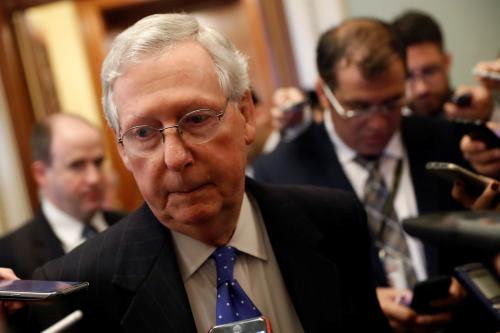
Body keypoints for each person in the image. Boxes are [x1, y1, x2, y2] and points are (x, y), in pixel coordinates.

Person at [0, 13, 391, 333]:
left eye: (197, 118)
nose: (174, 157)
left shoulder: (334, 221)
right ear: (121, 149)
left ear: (246, 115)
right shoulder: (79, 287)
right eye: (142, 133)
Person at [253, 18, 470, 333]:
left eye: (392, 102)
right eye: (358, 107)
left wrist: (462, 284)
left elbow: (480, 246)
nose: (379, 123)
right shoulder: (280, 172)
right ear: (324, 94)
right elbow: (292, 286)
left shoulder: (447, 142)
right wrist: (361, 301)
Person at [0, 113, 124, 279]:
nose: (94, 178)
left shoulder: (131, 226)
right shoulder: (9, 256)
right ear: (41, 174)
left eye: (98, 162)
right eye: (77, 165)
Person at [392, 10, 493, 121]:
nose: (422, 89)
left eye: (429, 71)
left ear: (446, 61)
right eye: (408, 76)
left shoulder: (477, 111)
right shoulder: (389, 128)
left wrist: (488, 116)